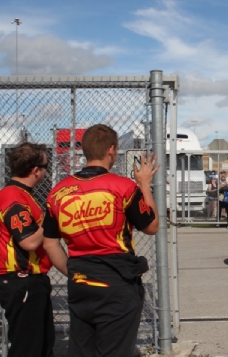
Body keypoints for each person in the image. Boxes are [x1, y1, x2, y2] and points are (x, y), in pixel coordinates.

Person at [43, 124, 159, 357]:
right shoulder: (123, 187)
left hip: (80, 283)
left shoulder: (58, 192)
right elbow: (151, 226)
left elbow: (50, 243)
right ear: (111, 150)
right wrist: (145, 185)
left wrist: (75, 271)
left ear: (85, 150)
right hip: (116, 283)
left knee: (82, 348)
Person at [0, 143, 54, 357]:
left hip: (31, 280)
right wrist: (52, 218)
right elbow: (29, 241)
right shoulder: (14, 197)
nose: (46, 171)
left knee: (43, 344)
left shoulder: (23, 194)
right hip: (21, 280)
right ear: (35, 170)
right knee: (28, 348)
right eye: (46, 166)